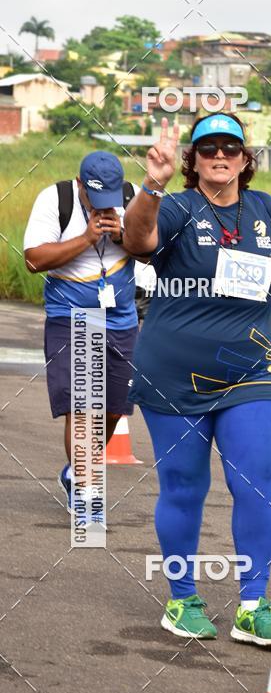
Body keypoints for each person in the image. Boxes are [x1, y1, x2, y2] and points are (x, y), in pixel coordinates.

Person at [123, 113, 271, 645]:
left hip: (252, 370)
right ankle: (182, 598)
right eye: (208, 147)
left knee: (255, 483)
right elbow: (136, 239)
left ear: (245, 157)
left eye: (230, 148)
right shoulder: (178, 209)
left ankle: (252, 602)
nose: (220, 155)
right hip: (174, 375)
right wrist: (152, 185)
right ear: (192, 159)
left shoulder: (266, 211)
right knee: (185, 487)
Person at [23, 152, 142, 517]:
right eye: (95, 200)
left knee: (112, 410)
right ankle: (87, 489)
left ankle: (75, 471)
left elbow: (155, 251)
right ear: (80, 186)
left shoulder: (134, 197)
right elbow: (33, 260)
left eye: (110, 200)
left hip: (122, 319)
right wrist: (86, 239)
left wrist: (123, 234)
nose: (104, 208)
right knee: (83, 406)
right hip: (71, 317)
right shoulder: (55, 199)